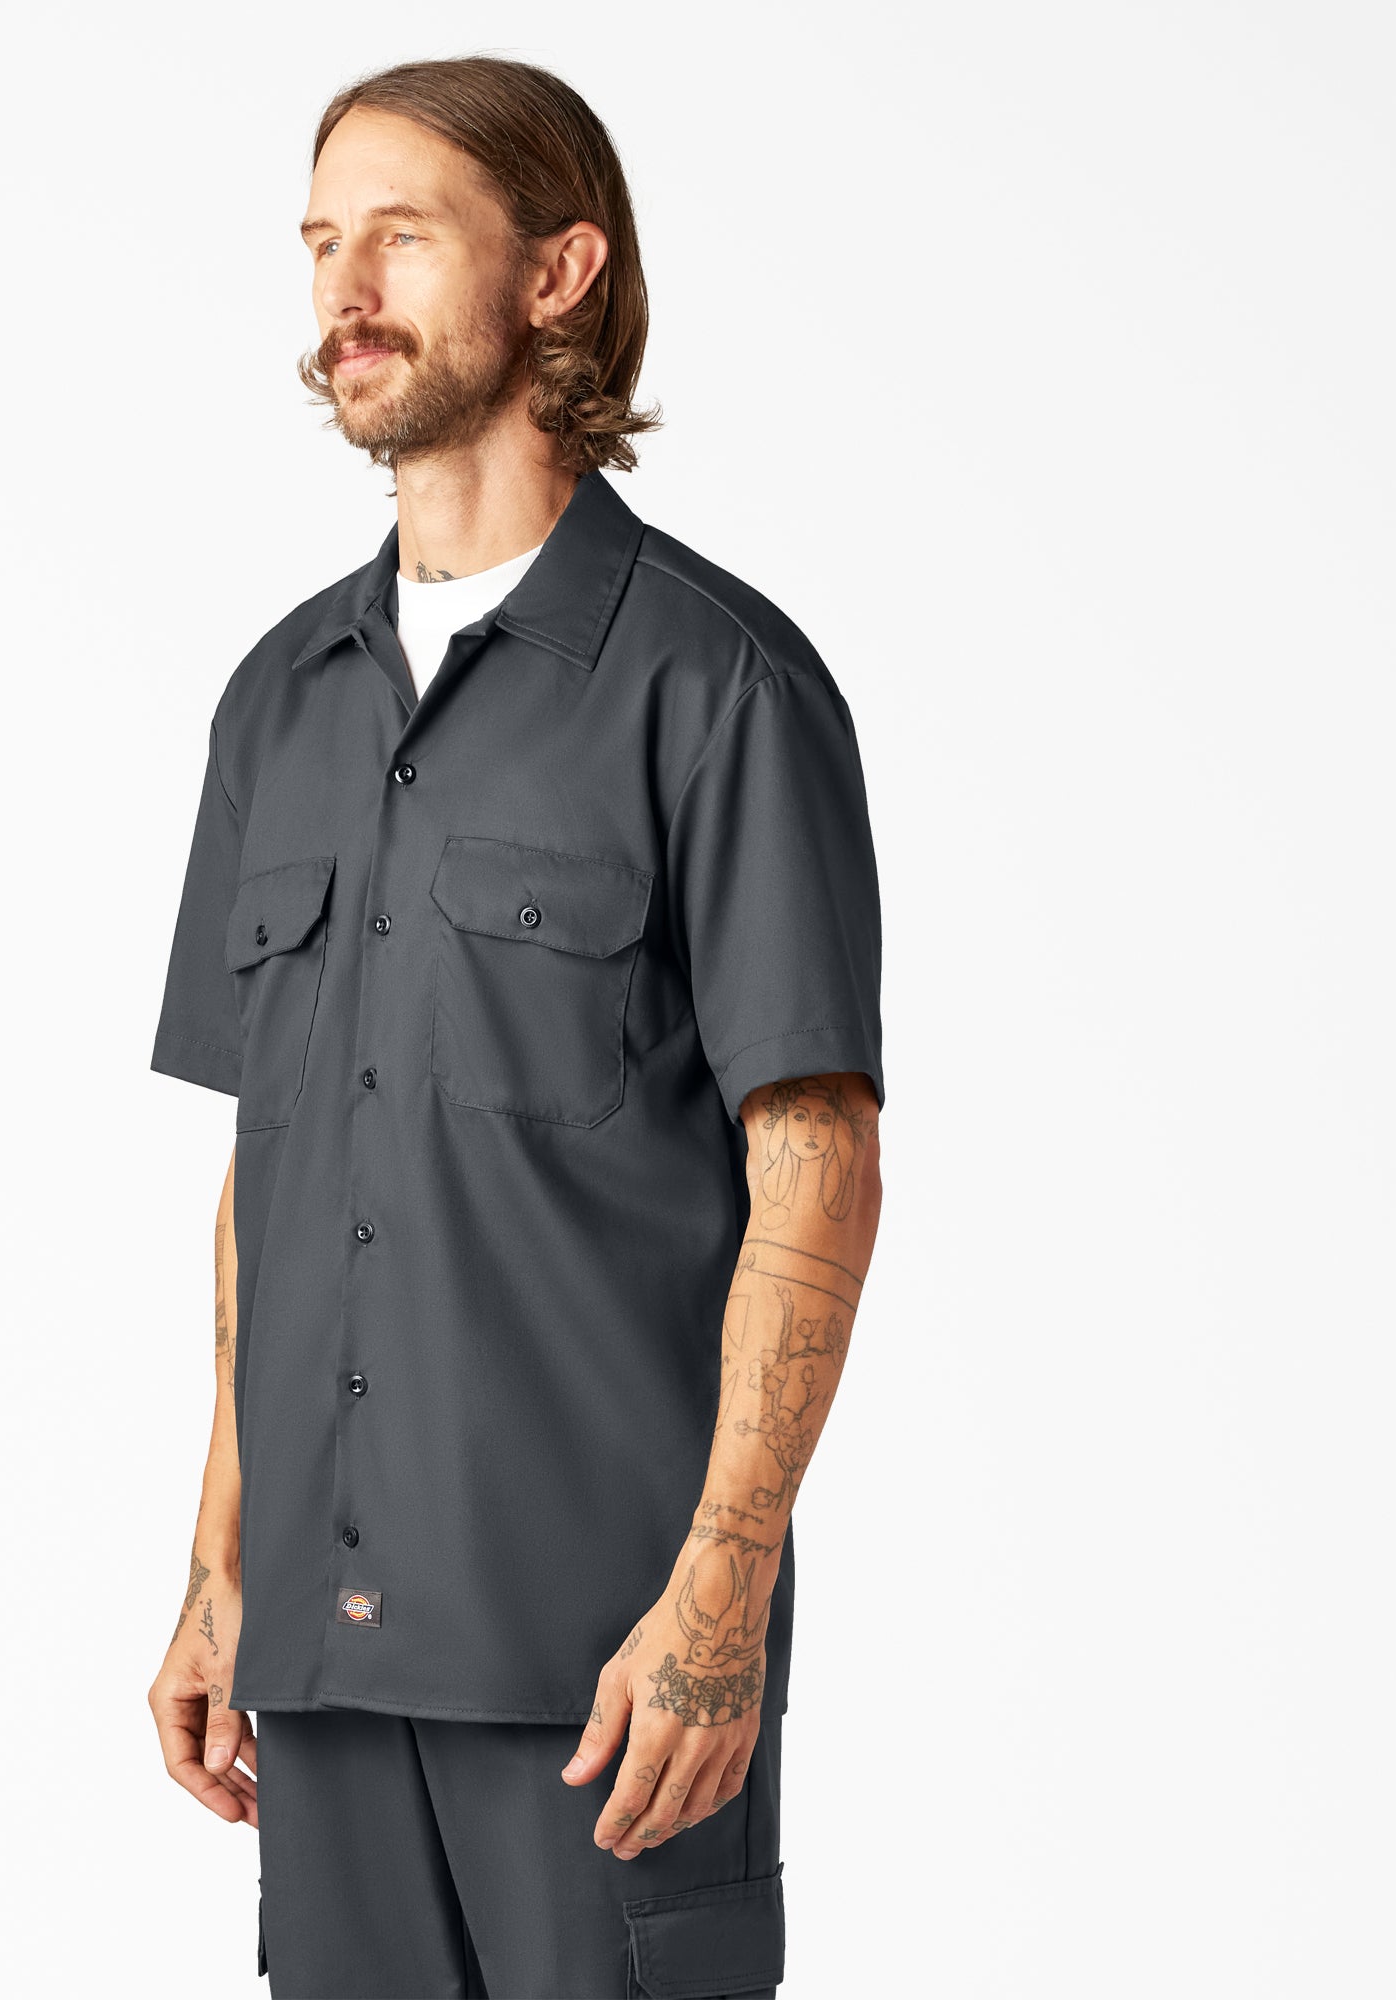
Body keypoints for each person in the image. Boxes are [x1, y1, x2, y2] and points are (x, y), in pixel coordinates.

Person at [146, 54, 886, 2000]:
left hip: (606, 1679)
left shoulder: (717, 689)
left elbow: (816, 1156)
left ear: (559, 273)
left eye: (401, 236)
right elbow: (268, 1168)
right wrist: (222, 1565)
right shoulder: (278, 703)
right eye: (323, 242)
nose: (345, 290)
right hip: (320, 1669)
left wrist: (722, 1590)